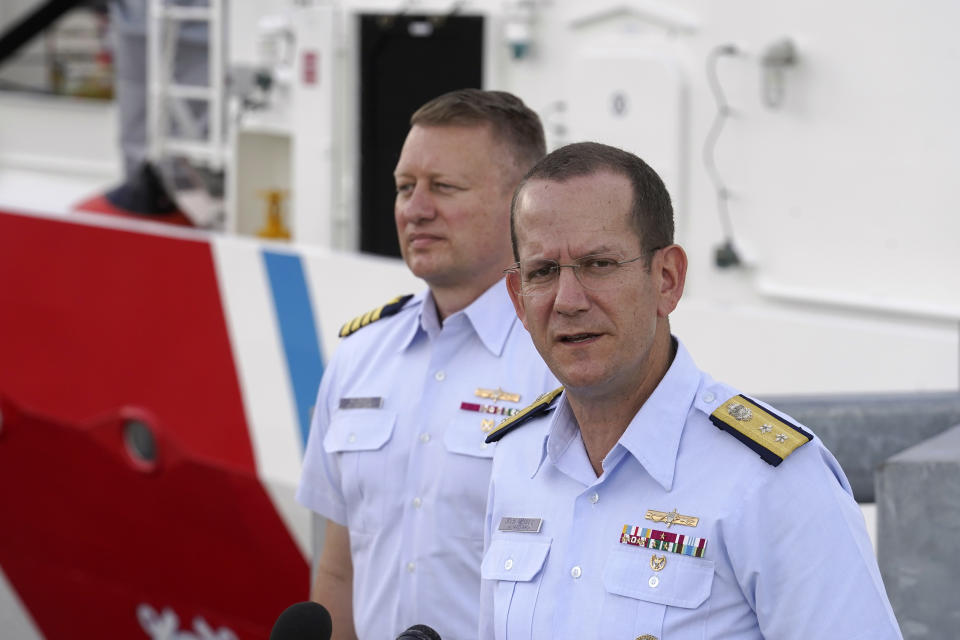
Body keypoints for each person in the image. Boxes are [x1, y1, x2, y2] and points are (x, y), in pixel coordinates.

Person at [480, 142, 903, 639]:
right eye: (543, 272)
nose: (568, 301)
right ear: (518, 299)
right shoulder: (515, 461)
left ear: (667, 279)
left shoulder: (772, 481)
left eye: (598, 264)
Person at [296, 89, 557, 640]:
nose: (415, 209)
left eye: (443, 187)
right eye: (404, 187)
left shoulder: (562, 363)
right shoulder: (359, 357)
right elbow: (340, 570)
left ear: (521, 203)